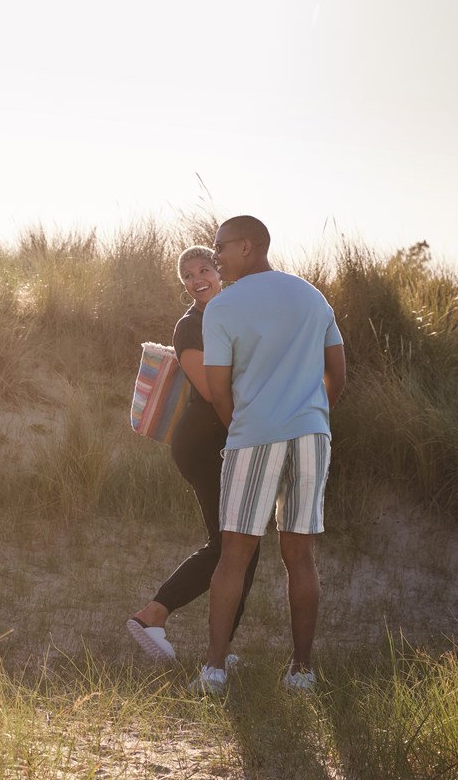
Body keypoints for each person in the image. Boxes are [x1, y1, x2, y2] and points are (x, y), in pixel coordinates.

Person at [192, 215, 346, 694]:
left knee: (234, 553)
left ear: (248, 246)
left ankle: (215, 669)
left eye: (220, 246)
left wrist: (244, 427)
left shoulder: (223, 307)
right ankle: (301, 672)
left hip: (253, 435)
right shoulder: (311, 295)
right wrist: (312, 416)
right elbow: (336, 374)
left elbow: (218, 390)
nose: (214, 255)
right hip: (311, 436)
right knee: (300, 555)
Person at [127, 246, 261, 663]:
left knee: (244, 545)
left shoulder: (234, 314)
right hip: (203, 445)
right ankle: (153, 616)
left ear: (219, 272)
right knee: (230, 544)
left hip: (228, 440)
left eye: (204, 269)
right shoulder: (190, 326)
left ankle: (220, 649)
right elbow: (209, 390)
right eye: (187, 274)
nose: (197, 278)